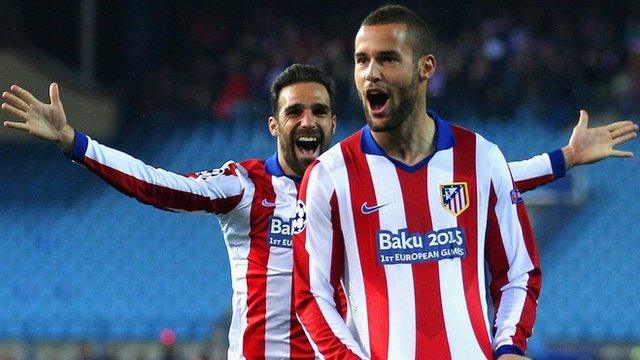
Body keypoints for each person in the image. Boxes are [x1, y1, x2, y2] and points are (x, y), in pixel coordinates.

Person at [1, 65, 635, 359]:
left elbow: (485, 179)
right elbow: (160, 184)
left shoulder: (360, 183)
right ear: (274, 123)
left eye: (320, 112)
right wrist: (74, 143)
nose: (309, 121)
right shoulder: (244, 187)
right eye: (295, 112)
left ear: (335, 122)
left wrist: (563, 159)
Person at [292, 5, 636, 360]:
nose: (371, 74)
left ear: (426, 68)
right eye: (361, 61)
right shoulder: (329, 176)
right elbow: (312, 295)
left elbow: (518, 272)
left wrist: (510, 346)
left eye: (388, 59)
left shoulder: (481, 159)